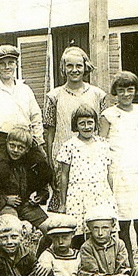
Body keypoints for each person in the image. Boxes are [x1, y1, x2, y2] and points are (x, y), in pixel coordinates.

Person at [100, 71, 138, 267]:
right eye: (121, 90)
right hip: (120, 172)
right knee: (123, 222)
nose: (126, 94)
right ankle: (128, 265)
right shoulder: (108, 115)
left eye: (130, 89)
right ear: (115, 92)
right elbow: (102, 146)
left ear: (136, 91)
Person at [42, 46, 108, 212]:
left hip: (92, 158)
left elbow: (103, 128)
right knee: (64, 204)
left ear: (85, 67)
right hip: (64, 160)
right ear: (63, 68)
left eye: (78, 65)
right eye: (69, 66)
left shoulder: (98, 95)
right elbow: (49, 130)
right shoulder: (54, 96)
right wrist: (50, 159)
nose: (74, 70)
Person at [55, 104, 118, 246]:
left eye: (90, 123)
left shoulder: (103, 144)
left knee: (100, 229)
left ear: (95, 123)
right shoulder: (69, 145)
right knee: (78, 232)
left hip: (100, 193)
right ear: (76, 125)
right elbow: (63, 175)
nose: (86, 127)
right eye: (82, 123)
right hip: (77, 194)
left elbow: (108, 173)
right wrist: (63, 202)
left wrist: (110, 195)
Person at [0, 125, 52, 229]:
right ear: (6, 143)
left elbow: (42, 186)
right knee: (12, 225)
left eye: (20, 148)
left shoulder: (30, 164)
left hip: (24, 204)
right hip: (1, 206)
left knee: (48, 226)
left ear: (27, 149)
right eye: (12, 145)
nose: (15, 150)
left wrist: (40, 196)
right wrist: (5, 199)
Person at [0, 44, 44, 165]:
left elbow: (36, 117)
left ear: (16, 64)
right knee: (3, 173)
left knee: (43, 171)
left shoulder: (25, 89)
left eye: (10, 62)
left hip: (25, 140)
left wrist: (38, 141)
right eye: (2, 63)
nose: (7, 67)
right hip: (0, 142)